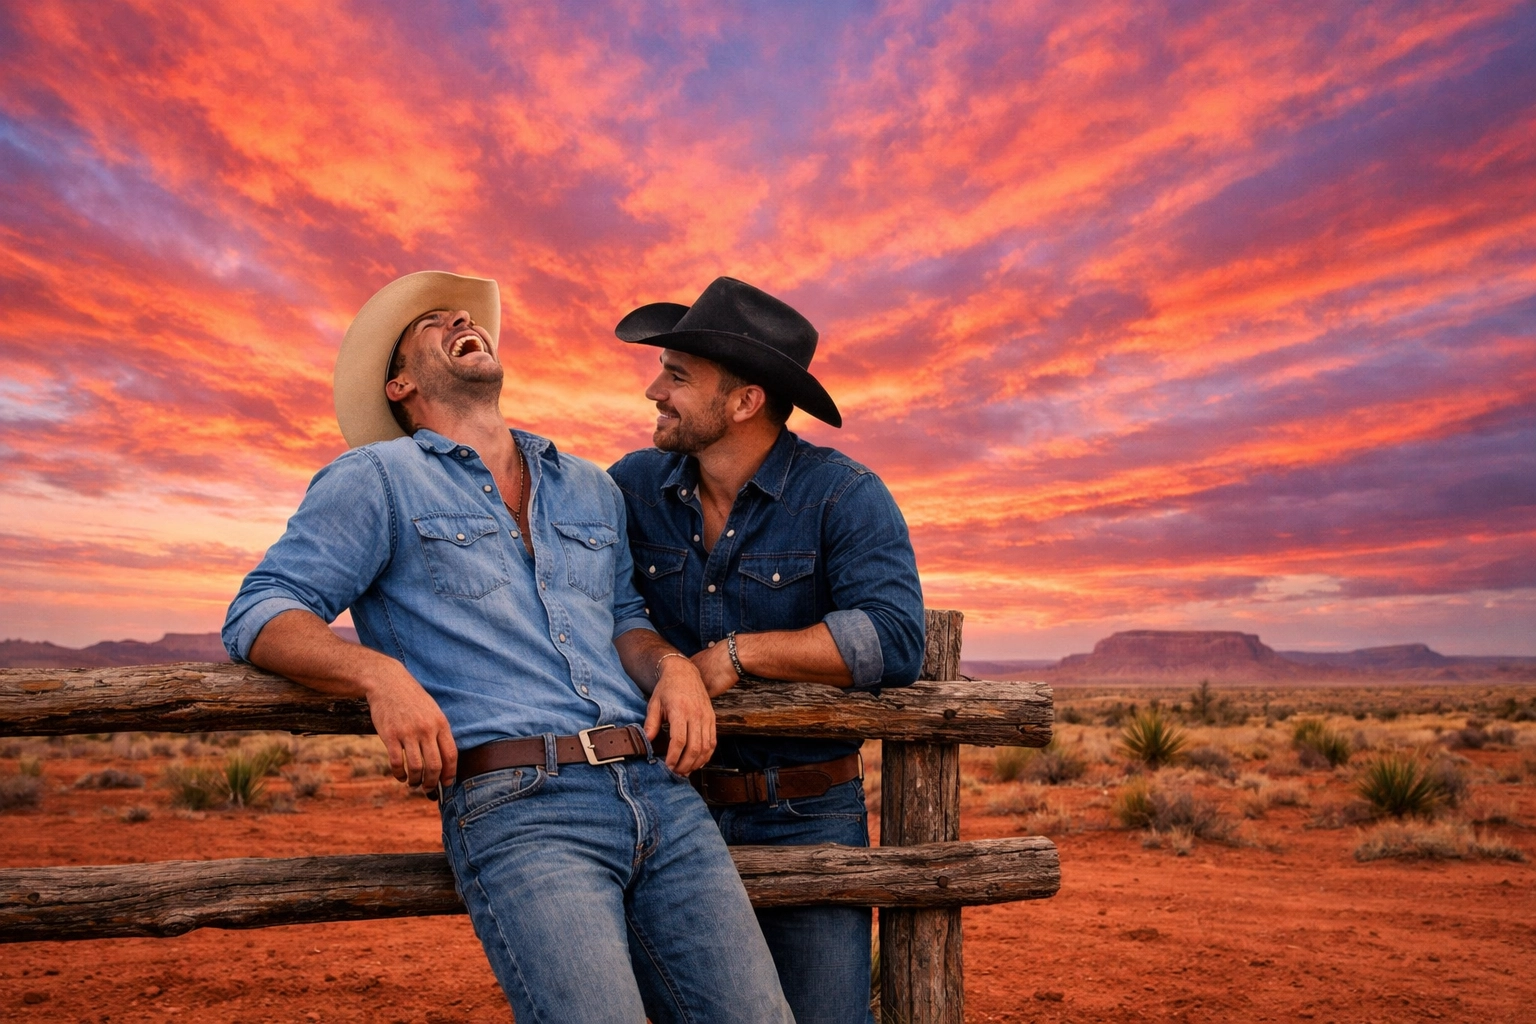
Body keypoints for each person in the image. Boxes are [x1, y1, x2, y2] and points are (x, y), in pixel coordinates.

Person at [222, 271, 793, 1024]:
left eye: (466, 315)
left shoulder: (589, 486)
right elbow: (261, 610)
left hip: (661, 791)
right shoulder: (376, 480)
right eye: (433, 323)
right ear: (400, 384)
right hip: (522, 809)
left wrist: (674, 667)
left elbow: (623, 620)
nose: (462, 319)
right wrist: (376, 673)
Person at [608, 277, 926, 1024]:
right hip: (670, 807)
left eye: (677, 376)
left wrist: (735, 655)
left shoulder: (843, 495)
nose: (655, 391)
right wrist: (673, 664)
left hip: (809, 813)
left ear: (745, 401)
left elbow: (894, 636)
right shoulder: (633, 487)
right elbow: (599, 602)